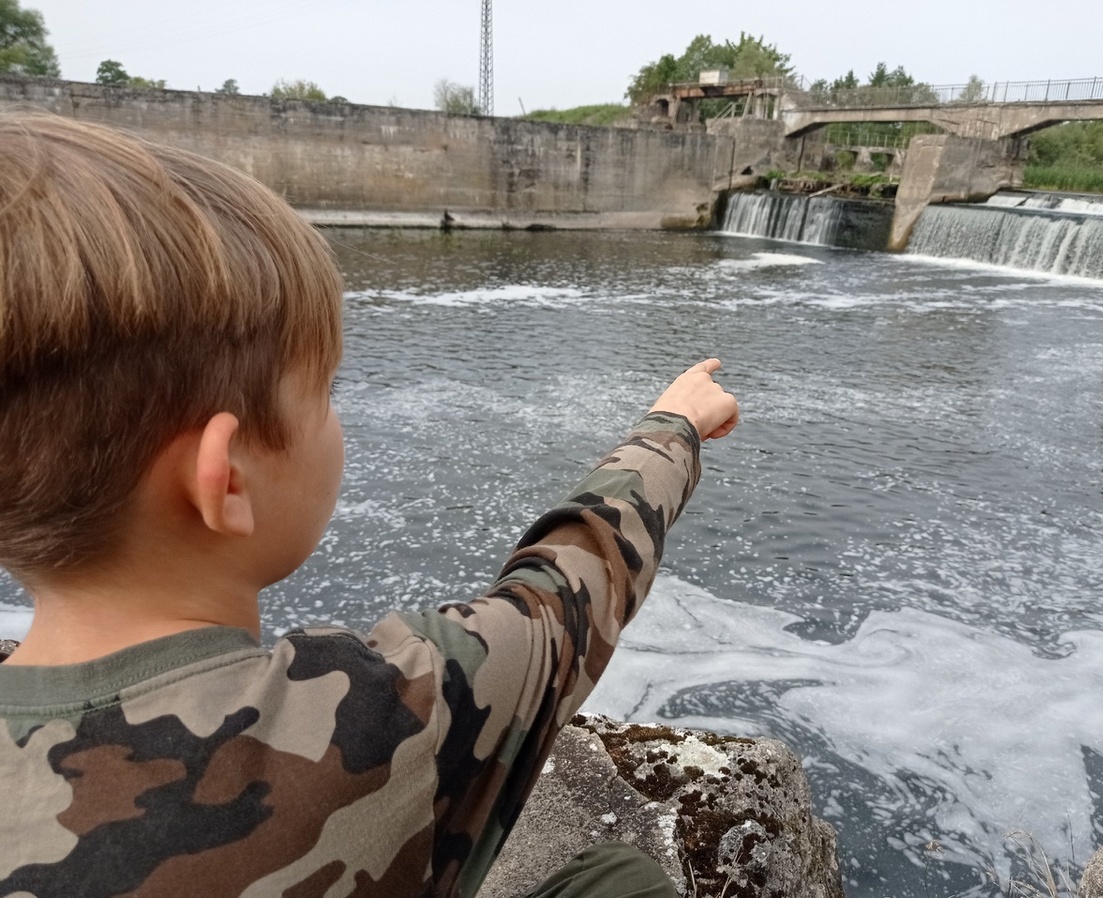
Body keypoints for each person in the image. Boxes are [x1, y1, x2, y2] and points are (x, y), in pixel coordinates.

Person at [0, 112, 738, 897]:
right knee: (620, 882)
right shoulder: (383, 716)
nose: (336, 416)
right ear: (227, 481)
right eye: (327, 391)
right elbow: (568, 597)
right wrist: (674, 427)